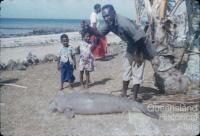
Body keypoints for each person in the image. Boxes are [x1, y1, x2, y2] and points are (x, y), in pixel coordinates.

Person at [84, 4, 156, 100]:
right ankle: (124, 93)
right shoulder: (108, 22)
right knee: (126, 68)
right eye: (104, 16)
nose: (106, 18)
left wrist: (138, 55)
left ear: (114, 13)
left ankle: (134, 98)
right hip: (131, 44)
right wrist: (90, 29)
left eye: (108, 15)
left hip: (141, 45)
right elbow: (100, 34)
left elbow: (139, 38)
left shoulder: (123, 22)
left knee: (137, 71)